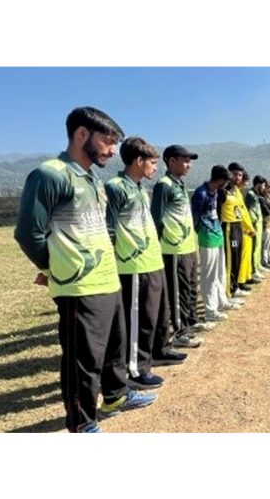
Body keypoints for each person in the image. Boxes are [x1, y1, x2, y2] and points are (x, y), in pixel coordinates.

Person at [14, 107, 156, 433]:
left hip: (107, 279)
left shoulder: (93, 178)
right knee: (83, 361)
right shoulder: (50, 175)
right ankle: (82, 422)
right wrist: (54, 267)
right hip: (79, 288)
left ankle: (117, 396)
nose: (111, 150)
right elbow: (27, 233)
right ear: (82, 134)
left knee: (113, 348)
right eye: (107, 141)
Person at [105, 136, 169, 391]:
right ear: (138, 160)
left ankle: (143, 363)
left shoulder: (141, 188)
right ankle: (133, 370)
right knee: (137, 322)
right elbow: (109, 230)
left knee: (151, 320)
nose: (155, 167)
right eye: (152, 162)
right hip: (132, 268)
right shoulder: (116, 187)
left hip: (152, 263)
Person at [151, 145, 206, 350]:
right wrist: (158, 244)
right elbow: (156, 218)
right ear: (171, 161)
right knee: (178, 292)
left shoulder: (180, 184)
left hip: (188, 247)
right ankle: (180, 331)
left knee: (190, 287)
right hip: (173, 249)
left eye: (189, 161)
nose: (188, 165)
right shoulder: (164, 185)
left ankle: (190, 323)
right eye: (185, 160)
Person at [191, 165, 237, 322]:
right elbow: (195, 218)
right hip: (207, 237)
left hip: (218, 235)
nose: (227, 184)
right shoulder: (200, 193)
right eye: (226, 181)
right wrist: (202, 232)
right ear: (220, 179)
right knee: (209, 275)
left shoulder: (216, 192)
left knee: (220, 273)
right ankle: (210, 310)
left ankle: (221, 301)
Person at [219, 162, 254, 298]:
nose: (238, 177)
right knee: (230, 260)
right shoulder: (223, 190)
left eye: (240, 175)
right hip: (228, 227)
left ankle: (235, 286)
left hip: (238, 226)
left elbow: (241, 210)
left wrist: (247, 227)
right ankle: (229, 291)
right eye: (235, 174)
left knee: (237, 258)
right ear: (229, 174)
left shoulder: (236, 191)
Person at [245, 174, 270, 280]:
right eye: (263, 185)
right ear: (258, 184)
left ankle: (257, 266)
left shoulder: (256, 195)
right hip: (253, 225)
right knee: (253, 248)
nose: (264, 188)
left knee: (258, 247)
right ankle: (252, 270)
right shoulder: (250, 195)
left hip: (259, 224)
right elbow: (248, 211)